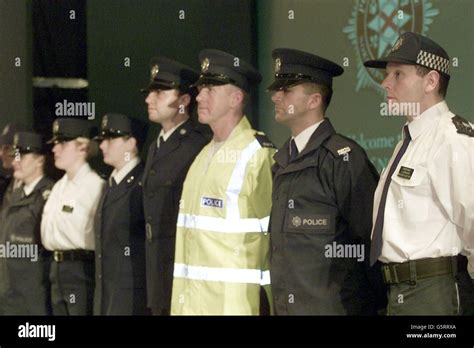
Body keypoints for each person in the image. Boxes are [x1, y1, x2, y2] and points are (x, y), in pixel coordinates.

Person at [268, 48, 385, 315]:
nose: (276, 96)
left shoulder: (343, 159)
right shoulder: (282, 160)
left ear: (314, 100)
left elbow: (369, 244)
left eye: (286, 90)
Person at [364, 31, 474, 315]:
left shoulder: (451, 138)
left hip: (433, 291)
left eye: (398, 74)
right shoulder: (409, 141)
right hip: (402, 290)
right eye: (387, 75)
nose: (385, 83)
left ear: (431, 81)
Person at [170, 49, 275, 315]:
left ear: (235, 98)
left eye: (210, 89)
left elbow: (274, 241)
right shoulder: (202, 156)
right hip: (192, 305)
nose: (199, 96)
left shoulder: (257, 154)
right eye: (200, 89)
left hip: (236, 306)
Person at [142, 57, 209, 315]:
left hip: (182, 269)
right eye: (150, 93)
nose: (149, 99)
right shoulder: (155, 146)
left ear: (184, 101)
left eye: (159, 93)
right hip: (155, 270)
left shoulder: (197, 145)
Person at [41, 118, 105, 315]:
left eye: (63, 143)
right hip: (56, 268)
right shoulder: (59, 186)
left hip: (80, 269)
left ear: (83, 148)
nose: (55, 149)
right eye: (55, 144)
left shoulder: (95, 186)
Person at [93, 113, 150, 315]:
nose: (102, 146)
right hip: (107, 294)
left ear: (131, 143)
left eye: (111, 139)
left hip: (131, 297)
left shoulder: (143, 184)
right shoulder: (110, 184)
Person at [0, 131, 54, 315]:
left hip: (32, 298)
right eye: (15, 155)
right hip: (8, 295)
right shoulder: (13, 196)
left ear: (39, 160)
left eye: (22, 156)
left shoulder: (49, 196)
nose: (16, 161)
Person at [0, 123, 29, 208]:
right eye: (1, 148)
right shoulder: (6, 184)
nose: (1, 154)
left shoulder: (33, 184)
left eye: (7, 148)